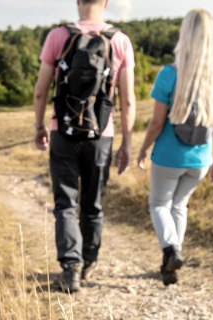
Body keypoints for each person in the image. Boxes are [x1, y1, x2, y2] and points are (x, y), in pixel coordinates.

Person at [33, 0, 136, 292]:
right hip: (101, 134)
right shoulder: (120, 41)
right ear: (105, 2)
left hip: (63, 132)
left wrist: (40, 126)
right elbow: (127, 100)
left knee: (66, 203)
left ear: (77, 2)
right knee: (93, 204)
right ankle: (88, 260)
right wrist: (127, 143)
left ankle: (71, 267)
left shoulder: (58, 36)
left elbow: (41, 90)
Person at [137, 8, 213, 286]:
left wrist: (142, 149)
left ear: (184, 36)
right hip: (200, 160)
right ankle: (170, 266)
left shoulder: (169, 74)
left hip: (168, 156)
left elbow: (156, 122)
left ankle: (171, 250)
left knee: (159, 204)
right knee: (180, 206)